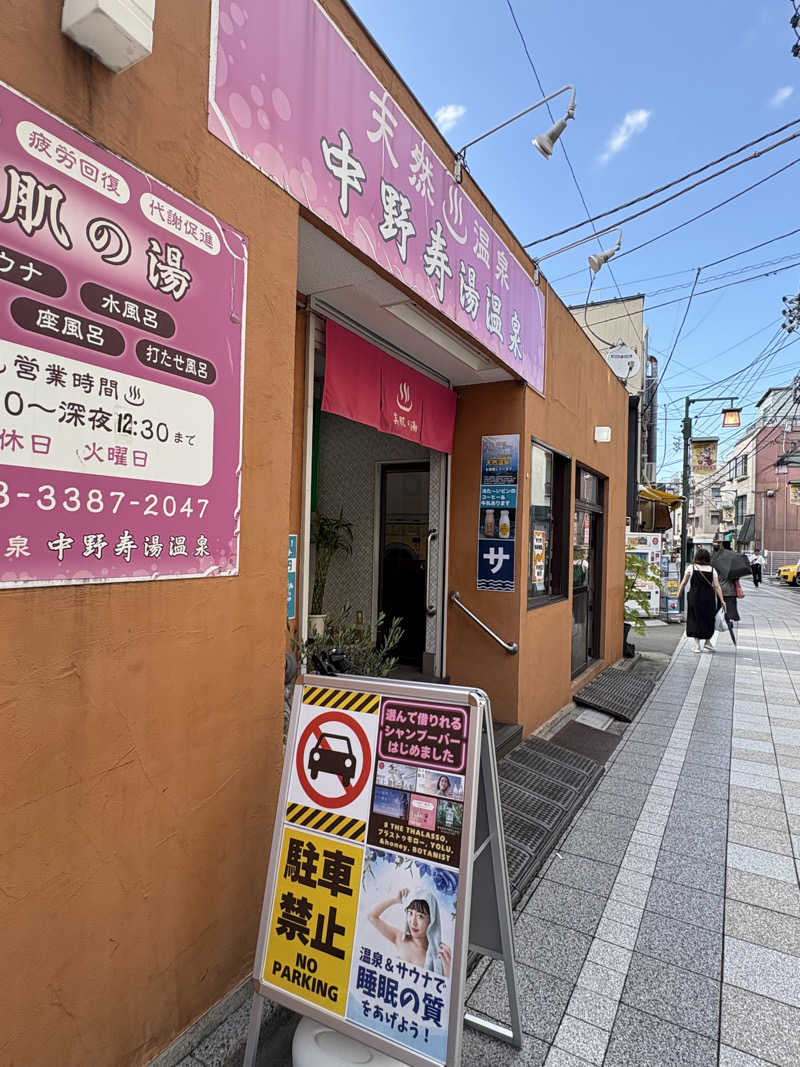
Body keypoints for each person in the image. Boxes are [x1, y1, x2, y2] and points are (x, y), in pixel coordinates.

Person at [368, 886, 452, 976]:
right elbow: (372, 917)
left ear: (431, 920)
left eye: (420, 916)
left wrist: (448, 970)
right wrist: (396, 900)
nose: (413, 922)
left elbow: (441, 986)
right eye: (410, 913)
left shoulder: (438, 955)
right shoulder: (400, 939)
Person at [677, 548, 725, 653]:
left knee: (695, 618)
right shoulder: (713, 570)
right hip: (709, 597)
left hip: (695, 597)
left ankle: (697, 645)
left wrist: (679, 593)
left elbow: (684, 583)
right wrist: (722, 600)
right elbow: (717, 586)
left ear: (696, 557)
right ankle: (707, 642)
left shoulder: (691, 567)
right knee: (708, 618)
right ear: (708, 558)